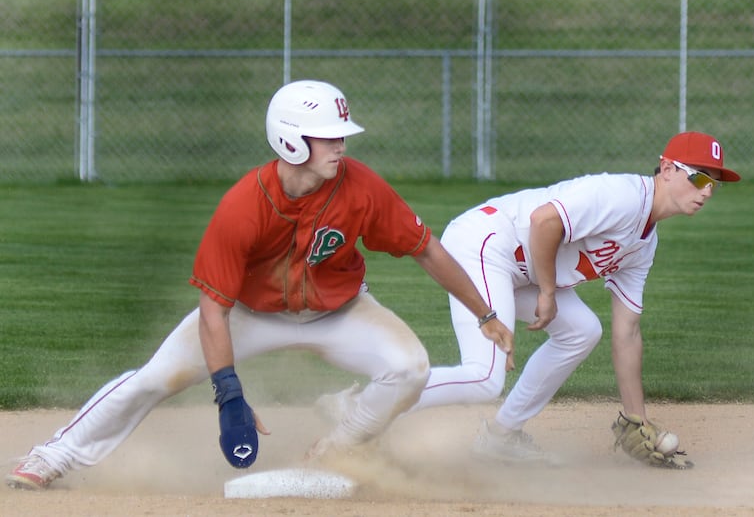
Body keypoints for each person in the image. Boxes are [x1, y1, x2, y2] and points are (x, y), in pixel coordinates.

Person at [5, 80, 513, 491]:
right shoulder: (242, 206)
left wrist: (485, 315)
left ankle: (339, 446)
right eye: (328, 135)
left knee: (409, 369)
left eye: (341, 135)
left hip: (340, 313)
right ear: (291, 140)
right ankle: (53, 455)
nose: (341, 144)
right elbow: (213, 310)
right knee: (154, 378)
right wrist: (229, 393)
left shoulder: (360, 186)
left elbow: (425, 246)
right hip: (248, 314)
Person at [320, 130, 738, 464]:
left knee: (583, 330)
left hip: (521, 270)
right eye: (698, 176)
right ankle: (360, 404)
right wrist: (549, 292)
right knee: (484, 377)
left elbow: (626, 333)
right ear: (667, 169)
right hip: (485, 244)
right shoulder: (624, 196)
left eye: (713, 182)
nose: (706, 190)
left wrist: (637, 416)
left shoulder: (644, 244)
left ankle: (501, 436)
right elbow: (544, 219)